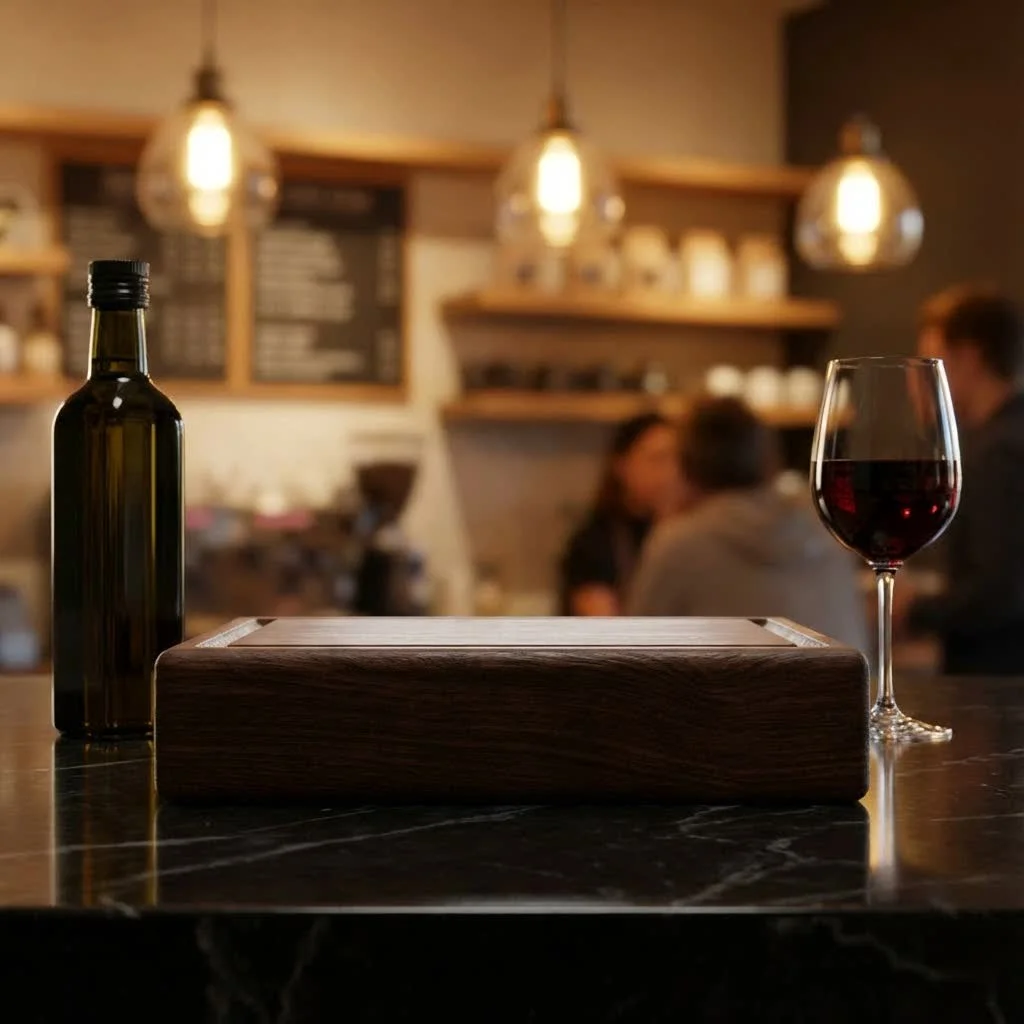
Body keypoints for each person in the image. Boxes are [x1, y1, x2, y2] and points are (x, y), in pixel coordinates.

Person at [628, 397, 867, 649]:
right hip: (843, 688)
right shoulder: (828, 529)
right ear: (768, 459)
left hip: (735, 689)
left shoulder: (679, 544)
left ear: (687, 467)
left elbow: (633, 658)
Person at [893, 285, 1024, 674]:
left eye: (929, 362)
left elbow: (1002, 593)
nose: (914, 382)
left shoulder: (1000, 453)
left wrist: (911, 607)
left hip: (1000, 694)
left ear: (967, 358)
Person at [560, 412, 679, 616]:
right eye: (657, 459)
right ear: (621, 465)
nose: (668, 473)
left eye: (675, 460)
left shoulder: (682, 534)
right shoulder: (593, 543)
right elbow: (606, 631)